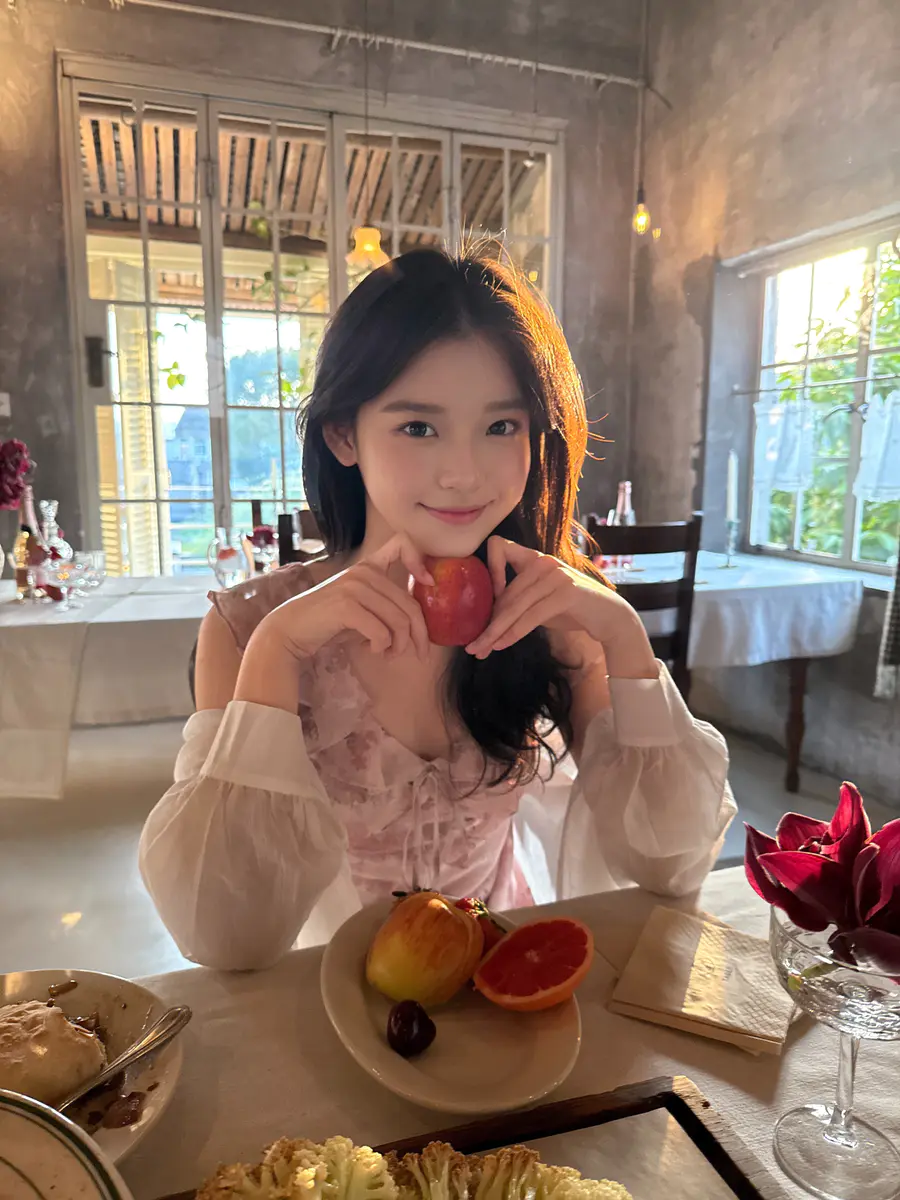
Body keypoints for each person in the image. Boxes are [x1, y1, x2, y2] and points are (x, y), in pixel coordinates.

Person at [139, 247, 736, 971]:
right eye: (418, 427)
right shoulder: (248, 628)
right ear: (342, 434)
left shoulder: (550, 613)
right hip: (319, 1000)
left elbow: (670, 867)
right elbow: (224, 937)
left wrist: (623, 636)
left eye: (501, 427)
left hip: (498, 990)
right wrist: (276, 653)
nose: (464, 474)